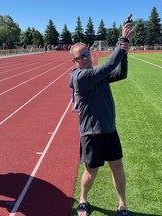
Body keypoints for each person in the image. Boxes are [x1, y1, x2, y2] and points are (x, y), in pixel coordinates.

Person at [69, 22, 134, 216]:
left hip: (109, 129)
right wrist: (123, 41)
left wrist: (125, 51)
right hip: (92, 132)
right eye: (81, 57)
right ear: (75, 62)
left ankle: (122, 204)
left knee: (117, 166)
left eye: (87, 53)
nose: (86, 58)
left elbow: (120, 73)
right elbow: (109, 65)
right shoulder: (81, 77)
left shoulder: (98, 75)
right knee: (92, 171)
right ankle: (83, 199)